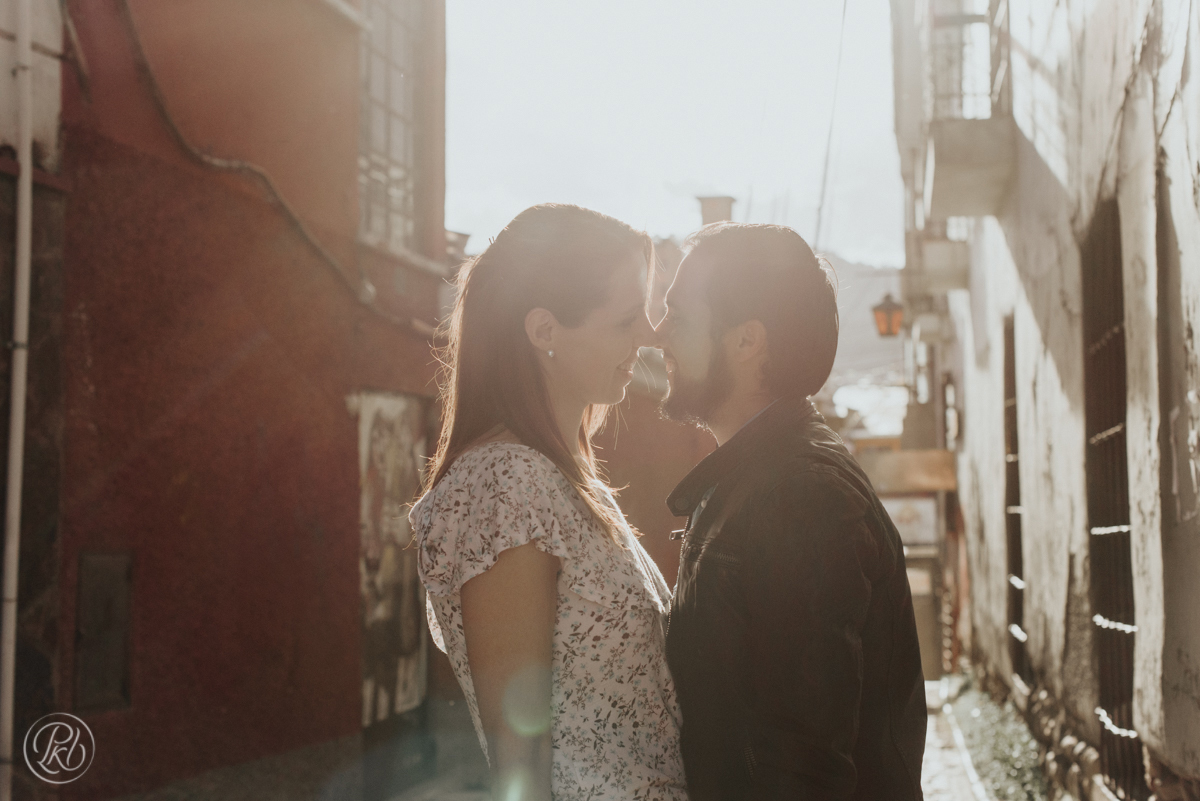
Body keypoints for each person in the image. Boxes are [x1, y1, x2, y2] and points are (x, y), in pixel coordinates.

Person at [409, 204, 688, 801]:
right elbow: (520, 755)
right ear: (544, 332)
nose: (649, 335)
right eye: (625, 319)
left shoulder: (558, 479)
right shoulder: (507, 484)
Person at [654, 222, 927, 800]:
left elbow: (805, 770)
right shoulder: (760, 480)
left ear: (747, 341)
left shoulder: (798, 496)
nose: (658, 333)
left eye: (677, 314)